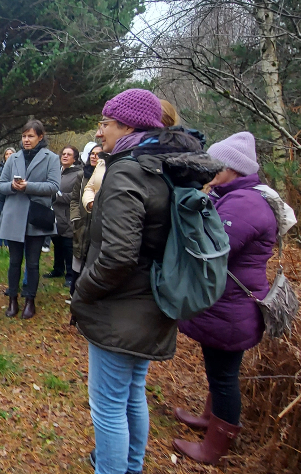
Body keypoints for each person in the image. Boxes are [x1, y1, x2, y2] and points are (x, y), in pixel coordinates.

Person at [71, 89, 218, 474]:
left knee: (107, 409)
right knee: (132, 395)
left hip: (122, 310)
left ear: (128, 125)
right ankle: (132, 467)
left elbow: (118, 255)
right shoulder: (160, 166)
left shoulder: (126, 172)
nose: (99, 132)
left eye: (105, 123)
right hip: (150, 303)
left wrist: (82, 292)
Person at [172, 132, 278, 465]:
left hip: (233, 308)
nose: (209, 169)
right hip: (226, 303)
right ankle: (210, 418)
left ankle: (216, 446)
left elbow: (213, 249)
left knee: (224, 376)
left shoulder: (245, 204)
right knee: (218, 371)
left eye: (215, 163)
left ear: (232, 167)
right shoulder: (232, 194)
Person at [0, 119, 61, 319]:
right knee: (14, 262)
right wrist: (12, 187)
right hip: (14, 215)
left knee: (33, 263)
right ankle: (13, 300)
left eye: (30, 136)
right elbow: (1, 185)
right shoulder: (13, 158)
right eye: (24, 136)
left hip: (36, 217)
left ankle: (30, 300)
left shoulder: (51, 158)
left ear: (40, 137)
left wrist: (28, 186)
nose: (26, 140)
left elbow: (53, 186)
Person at [44, 145, 82, 288]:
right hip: (55, 216)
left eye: (69, 154)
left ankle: (71, 276)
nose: (65, 156)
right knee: (57, 244)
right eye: (63, 154)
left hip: (68, 216)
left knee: (68, 247)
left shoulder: (79, 174)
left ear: (75, 158)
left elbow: (77, 196)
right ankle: (57, 269)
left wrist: (57, 196)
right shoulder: (57, 172)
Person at [69, 143, 101, 307]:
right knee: (78, 258)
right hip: (81, 224)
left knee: (91, 261)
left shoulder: (107, 176)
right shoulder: (82, 176)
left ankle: (86, 296)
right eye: (92, 154)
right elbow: (74, 200)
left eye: (98, 154)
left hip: (97, 227)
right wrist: (75, 218)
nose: (95, 156)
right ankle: (73, 293)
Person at [0, 147, 14, 249]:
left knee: (10, 221)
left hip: (12, 199)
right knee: (0, 220)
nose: (9, 156)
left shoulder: (18, 169)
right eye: (7, 154)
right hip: (0, 199)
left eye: (11, 154)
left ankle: (8, 243)